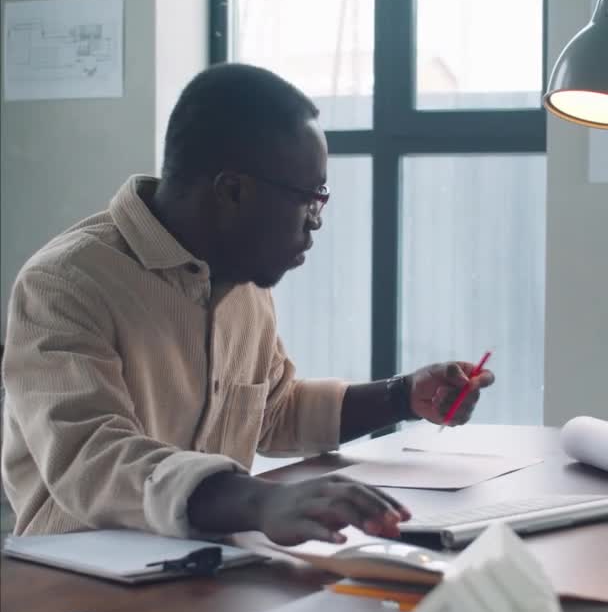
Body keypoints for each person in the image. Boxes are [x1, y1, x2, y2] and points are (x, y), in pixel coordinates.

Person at [1, 64, 494, 544]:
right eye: (309, 198)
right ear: (232, 191)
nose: (316, 221)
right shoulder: (65, 283)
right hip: (73, 583)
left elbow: (273, 412)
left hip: (201, 567)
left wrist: (403, 395)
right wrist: (261, 503)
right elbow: (91, 458)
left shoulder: (241, 281)